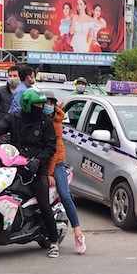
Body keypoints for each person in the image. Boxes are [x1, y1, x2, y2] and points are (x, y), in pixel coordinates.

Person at [0, 88, 60, 258]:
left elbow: (51, 147)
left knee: (44, 205)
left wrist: (38, 161)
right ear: (27, 104)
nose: (41, 107)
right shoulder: (14, 117)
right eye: (37, 104)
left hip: (37, 169)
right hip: (14, 164)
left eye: (42, 104)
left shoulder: (45, 122)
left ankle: (54, 241)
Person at [43, 91, 86, 255]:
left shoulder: (56, 123)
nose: (47, 106)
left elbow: (53, 153)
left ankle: (78, 233)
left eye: (50, 103)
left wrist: (49, 173)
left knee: (65, 195)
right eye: (45, 103)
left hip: (57, 163)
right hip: (41, 163)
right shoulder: (38, 120)